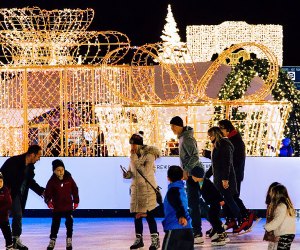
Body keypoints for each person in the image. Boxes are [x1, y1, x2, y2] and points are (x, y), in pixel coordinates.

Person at [203, 119, 256, 233]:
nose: (220, 130)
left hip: (231, 176)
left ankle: (244, 217)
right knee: (227, 199)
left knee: (231, 198)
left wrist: (227, 178)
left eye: (221, 128)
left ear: (227, 129)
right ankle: (230, 220)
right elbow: (218, 161)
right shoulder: (222, 143)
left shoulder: (232, 142)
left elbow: (229, 161)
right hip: (225, 177)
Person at [0, 144, 45, 250]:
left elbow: (30, 182)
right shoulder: (14, 162)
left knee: (17, 215)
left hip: (18, 195)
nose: (39, 159)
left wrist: (41, 191)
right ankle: (12, 242)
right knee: (10, 217)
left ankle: (15, 240)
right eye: (38, 156)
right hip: (7, 193)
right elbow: (1, 176)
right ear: (32, 154)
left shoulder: (29, 167)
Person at [123, 132, 161, 250]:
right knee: (137, 215)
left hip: (148, 189)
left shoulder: (149, 156)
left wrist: (134, 158)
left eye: (134, 145)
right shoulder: (133, 157)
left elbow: (144, 171)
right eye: (131, 145)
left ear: (139, 145)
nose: (132, 147)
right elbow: (132, 171)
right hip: (136, 189)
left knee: (149, 215)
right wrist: (127, 174)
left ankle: (155, 240)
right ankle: (139, 239)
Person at [169, 116, 204, 244]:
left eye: (173, 126)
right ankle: (200, 230)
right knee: (195, 203)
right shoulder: (184, 137)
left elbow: (195, 156)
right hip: (192, 172)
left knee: (194, 203)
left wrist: (186, 170)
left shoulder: (187, 138)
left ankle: (198, 232)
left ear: (178, 125)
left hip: (194, 172)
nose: (172, 129)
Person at [44, 159, 79, 250]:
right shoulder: (52, 181)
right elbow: (47, 193)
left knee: (69, 222)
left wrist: (76, 201)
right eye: (58, 170)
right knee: (55, 223)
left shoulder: (69, 178)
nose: (61, 172)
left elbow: (75, 189)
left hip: (68, 205)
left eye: (62, 170)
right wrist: (48, 201)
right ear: (54, 171)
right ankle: (52, 239)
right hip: (57, 206)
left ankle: (69, 239)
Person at [191, 166, 227, 246]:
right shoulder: (199, 183)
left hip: (216, 202)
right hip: (212, 203)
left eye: (193, 176)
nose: (192, 177)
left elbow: (216, 190)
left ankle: (221, 233)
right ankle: (218, 231)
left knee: (213, 217)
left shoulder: (207, 182)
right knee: (212, 217)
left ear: (197, 176)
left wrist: (221, 199)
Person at [162, 165, 194, 250]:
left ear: (168, 178)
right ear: (182, 177)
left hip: (175, 229)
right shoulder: (181, 189)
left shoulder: (173, 190)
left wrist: (181, 216)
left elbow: (177, 203)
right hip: (188, 229)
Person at [264, 184, 296, 250]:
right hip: (289, 233)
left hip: (283, 234)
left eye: (272, 193)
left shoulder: (281, 206)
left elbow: (277, 220)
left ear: (276, 194)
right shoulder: (288, 206)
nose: (270, 194)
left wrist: (267, 227)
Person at [0, 172, 13, 250]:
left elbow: (9, 203)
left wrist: (2, 211)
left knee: (7, 233)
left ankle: (9, 246)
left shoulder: (5, 190)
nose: (0, 183)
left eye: (1, 181)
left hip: (3, 217)